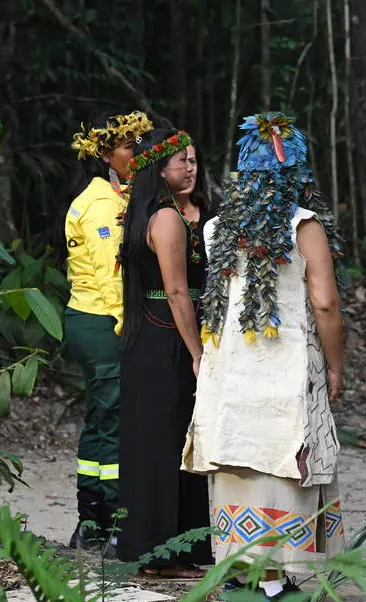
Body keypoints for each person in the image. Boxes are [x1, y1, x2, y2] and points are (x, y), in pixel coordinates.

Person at [183, 112, 347, 602]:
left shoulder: (215, 229)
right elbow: (325, 304)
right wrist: (336, 365)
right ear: (295, 171)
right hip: (286, 369)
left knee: (240, 464)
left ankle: (247, 576)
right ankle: (277, 586)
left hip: (231, 370)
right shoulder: (304, 227)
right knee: (284, 467)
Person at [116, 127, 213, 578]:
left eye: (194, 160)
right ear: (160, 168)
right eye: (181, 162)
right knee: (165, 444)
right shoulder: (168, 217)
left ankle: (163, 551)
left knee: (159, 441)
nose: (190, 168)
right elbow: (177, 291)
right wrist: (197, 352)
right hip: (166, 338)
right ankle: (163, 554)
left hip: (147, 340)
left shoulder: (143, 213)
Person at [62, 111, 154, 552]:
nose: (137, 152)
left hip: (94, 316)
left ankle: (92, 519)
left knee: (102, 419)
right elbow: (108, 274)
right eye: (128, 146)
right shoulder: (100, 205)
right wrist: (125, 327)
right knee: (114, 419)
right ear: (104, 153)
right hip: (102, 318)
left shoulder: (116, 196)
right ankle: (113, 519)